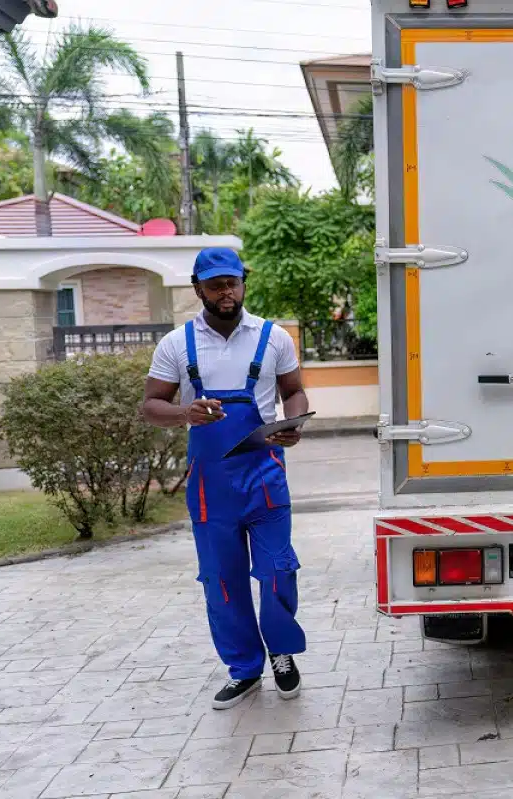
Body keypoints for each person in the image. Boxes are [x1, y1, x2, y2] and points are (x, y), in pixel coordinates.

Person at [142, 247, 310, 710]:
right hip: (209, 485)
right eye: (215, 284)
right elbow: (150, 405)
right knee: (222, 579)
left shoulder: (274, 338)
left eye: (232, 282)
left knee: (277, 569)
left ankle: (281, 652)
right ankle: (243, 669)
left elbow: (293, 391)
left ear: (243, 283)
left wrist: (293, 423)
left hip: (265, 477)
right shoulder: (176, 344)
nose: (226, 292)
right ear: (198, 288)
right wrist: (184, 413)